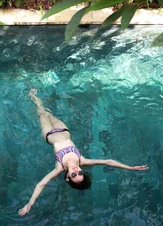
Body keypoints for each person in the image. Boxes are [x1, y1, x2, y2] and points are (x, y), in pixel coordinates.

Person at [18, 89, 149, 216]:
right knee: (50, 114)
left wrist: (30, 204)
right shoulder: (82, 161)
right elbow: (108, 162)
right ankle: (45, 98)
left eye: (74, 174)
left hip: (49, 134)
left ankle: (32, 94)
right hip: (63, 130)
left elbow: (42, 183)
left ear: (68, 177)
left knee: (41, 113)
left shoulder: (59, 167)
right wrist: (130, 168)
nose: (76, 170)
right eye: (80, 172)